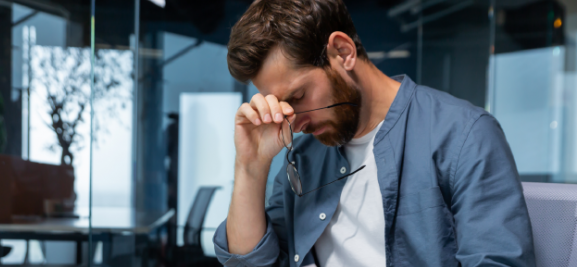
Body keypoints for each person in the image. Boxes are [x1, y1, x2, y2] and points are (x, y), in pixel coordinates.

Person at [213, 0, 536, 266]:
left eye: (298, 97)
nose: (295, 123)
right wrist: (251, 166)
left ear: (343, 52)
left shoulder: (463, 134)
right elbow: (250, 264)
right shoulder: (305, 156)